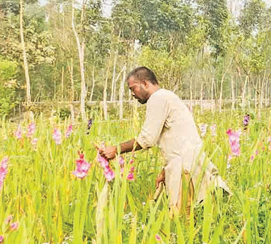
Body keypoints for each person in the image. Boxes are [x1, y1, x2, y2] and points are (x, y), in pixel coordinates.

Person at [97, 66, 230, 214]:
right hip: (191, 162)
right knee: (199, 215)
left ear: (145, 83)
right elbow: (177, 140)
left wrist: (116, 150)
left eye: (133, 88)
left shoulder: (158, 98)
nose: (132, 94)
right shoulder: (168, 97)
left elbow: (147, 139)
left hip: (185, 168)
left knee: (184, 219)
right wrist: (164, 172)